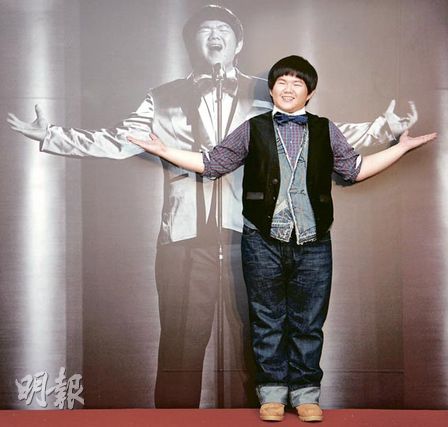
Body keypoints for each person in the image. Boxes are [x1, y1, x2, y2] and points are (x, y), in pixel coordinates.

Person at [7, 5, 419, 408]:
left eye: (224, 29)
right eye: (205, 30)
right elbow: (119, 139)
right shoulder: (162, 97)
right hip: (185, 236)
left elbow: (320, 135)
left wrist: (383, 128)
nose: (215, 35)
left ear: (238, 43)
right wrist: (53, 135)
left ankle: (267, 409)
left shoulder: (266, 92)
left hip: (256, 235)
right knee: (180, 344)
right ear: (191, 43)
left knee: (265, 334)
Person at [127, 55, 436, 422]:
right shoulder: (252, 128)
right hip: (262, 239)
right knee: (267, 320)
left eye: (297, 83)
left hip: (314, 241)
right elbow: (213, 164)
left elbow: (354, 170)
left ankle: (306, 395)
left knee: (308, 323)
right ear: (272, 89)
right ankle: (272, 394)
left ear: (310, 92)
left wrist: (400, 148)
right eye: (282, 82)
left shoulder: (324, 129)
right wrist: (164, 151)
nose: (289, 89)